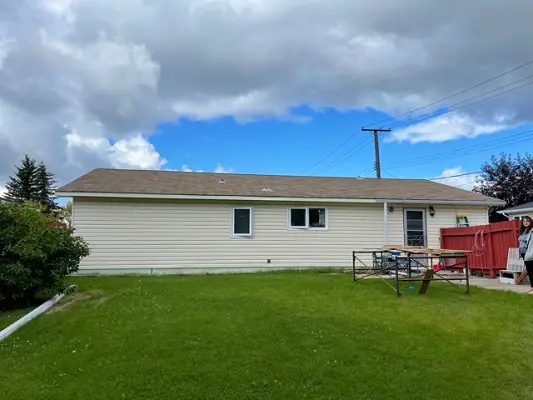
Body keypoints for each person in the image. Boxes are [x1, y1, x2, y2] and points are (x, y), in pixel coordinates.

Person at [519, 216, 533, 290]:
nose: (526, 222)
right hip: (523, 253)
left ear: (530, 222)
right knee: (529, 270)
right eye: (524, 221)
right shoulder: (522, 231)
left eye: (527, 221)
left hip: (530, 252)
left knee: (531, 269)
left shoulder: (532, 231)